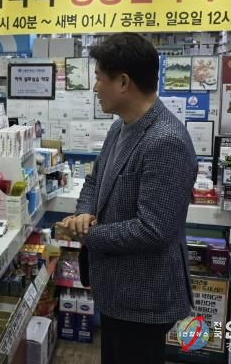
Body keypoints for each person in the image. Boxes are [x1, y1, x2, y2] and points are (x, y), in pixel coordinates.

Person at [60, 33, 196, 364]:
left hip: (144, 297)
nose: (95, 88)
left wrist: (86, 234)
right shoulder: (120, 127)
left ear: (123, 82)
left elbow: (154, 229)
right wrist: (83, 213)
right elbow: (95, 180)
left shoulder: (165, 140)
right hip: (116, 289)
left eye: (99, 78)